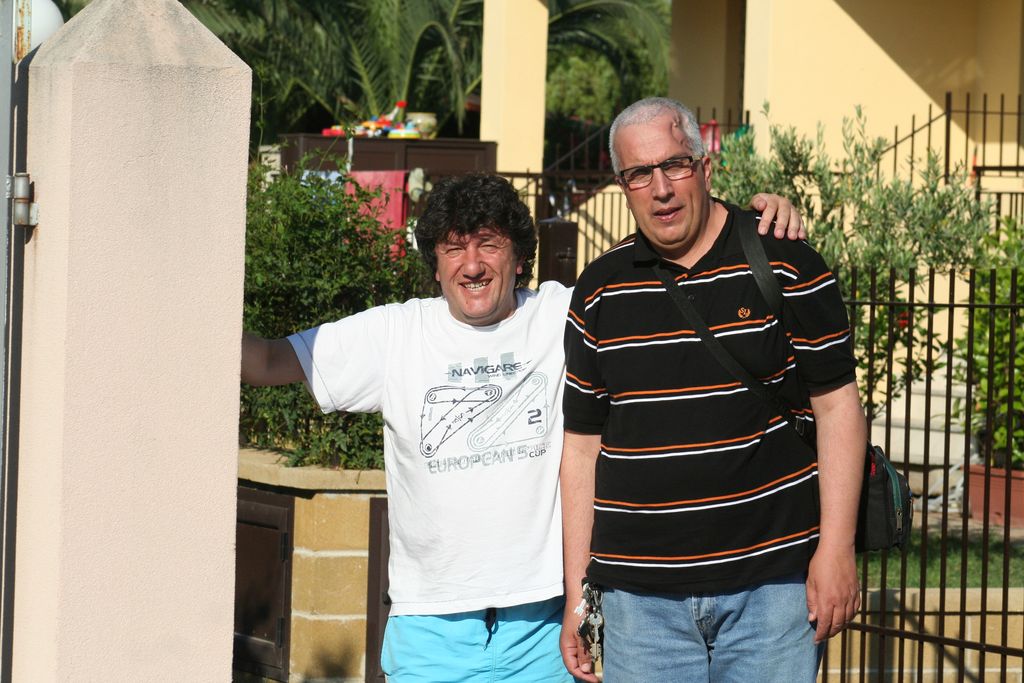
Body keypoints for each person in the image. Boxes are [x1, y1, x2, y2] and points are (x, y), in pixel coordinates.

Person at [241, 172, 805, 682]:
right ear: (435, 263)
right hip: (430, 629)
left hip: (545, 627)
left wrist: (749, 225)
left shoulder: (563, 314)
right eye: (454, 248)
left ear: (518, 257)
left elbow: (673, 272)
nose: (472, 264)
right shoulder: (394, 335)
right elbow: (265, 362)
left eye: (489, 244)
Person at [559, 97, 867, 683]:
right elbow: (581, 451)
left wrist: (836, 549)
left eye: (674, 165)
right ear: (623, 186)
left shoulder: (785, 263)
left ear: (705, 167)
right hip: (638, 603)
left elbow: (838, 410)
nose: (661, 189)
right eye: (639, 173)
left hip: (772, 590)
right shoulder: (598, 291)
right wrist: (578, 596)